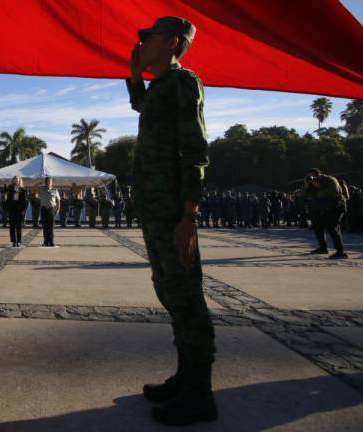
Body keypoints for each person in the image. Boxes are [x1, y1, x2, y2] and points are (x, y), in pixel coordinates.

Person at [127, 17, 216, 425]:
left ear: (172, 43)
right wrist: (134, 76)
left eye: (148, 38)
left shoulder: (184, 82)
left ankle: (200, 393)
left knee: (187, 297)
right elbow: (143, 105)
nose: (141, 43)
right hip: (155, 208)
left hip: (174, 211)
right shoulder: (161, 86)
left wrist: (189, 214)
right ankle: (185, 376)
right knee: (168, 290)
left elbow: (195, 148)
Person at [304, 168, 348, 259]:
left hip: (336, 207)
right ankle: (323, 248)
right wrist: (308, 184)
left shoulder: (330, 180)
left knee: (332, 227)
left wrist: (317, 186)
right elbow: (305, 194)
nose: (313, 178)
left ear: (319, 174)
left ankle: (341, 252)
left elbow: (331, 193)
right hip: (323, 208)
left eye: (314, 176)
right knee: (318, 226)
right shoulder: (314, 183)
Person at [5, 175, 27, 247]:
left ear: (19, 180)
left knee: (19, 226)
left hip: (20, 208)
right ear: (13, 180)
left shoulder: (22, 189)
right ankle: (13, 241)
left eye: (17, 179)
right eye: (14, 179)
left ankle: (19, 241)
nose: (16, 180)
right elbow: (7, 198)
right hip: (12, 208)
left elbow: (25, 201)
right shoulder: (10, 188)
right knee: (12, 226)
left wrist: (24, 209)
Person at [38, 176, 60, 246]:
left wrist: (58, 208)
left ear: (51, 183)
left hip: (51, 209)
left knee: (51, 226)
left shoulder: (55, 190)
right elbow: (34, 188)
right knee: (45, 226)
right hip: (44, 209)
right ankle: (45, 241)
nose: (48, 183)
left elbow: (58, 200)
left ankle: (51, 241)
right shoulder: (41, 189)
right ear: (45, 182)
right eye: (47, 182)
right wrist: (39, 183)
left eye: (50, 182)